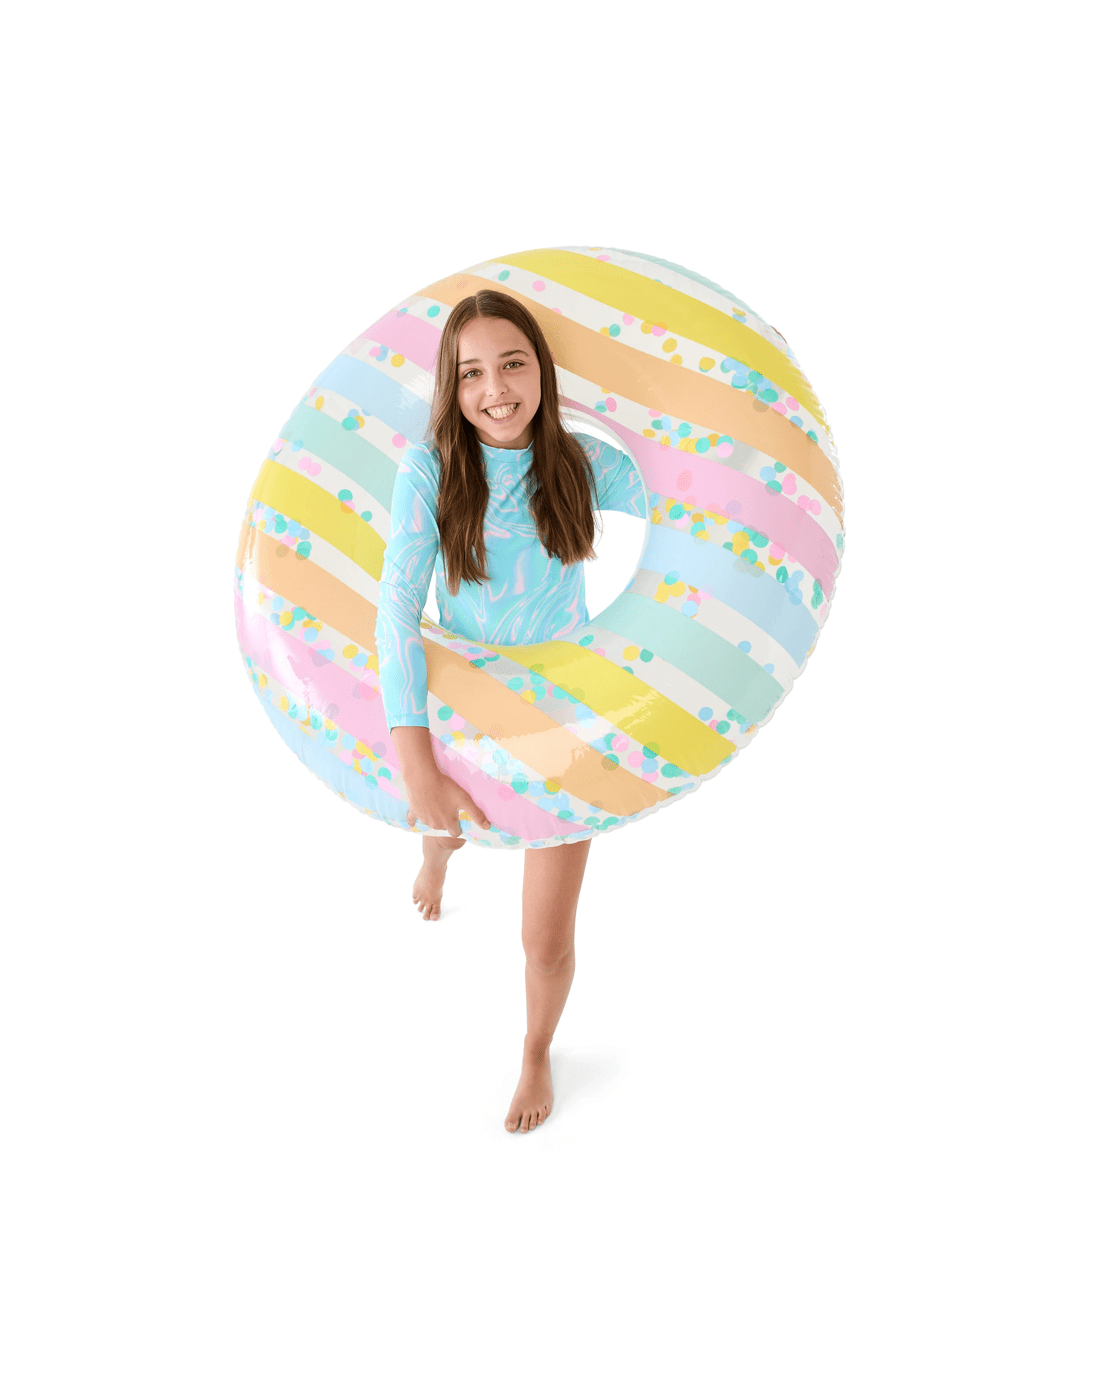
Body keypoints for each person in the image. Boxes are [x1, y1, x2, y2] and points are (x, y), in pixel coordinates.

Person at [375, 289, 646, 1133]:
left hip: (562, 719)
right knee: (442, 819)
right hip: (466, 710)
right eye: (471, 374)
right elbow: (396, 610)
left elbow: (692, 488)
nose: (495, 389)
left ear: (543, 370)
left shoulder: (580, 463)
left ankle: (536, 1048)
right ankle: (437, 857)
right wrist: (414, 756)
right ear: (451, 387)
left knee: (547, 941)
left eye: (513, 364)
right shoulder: (430, 470)